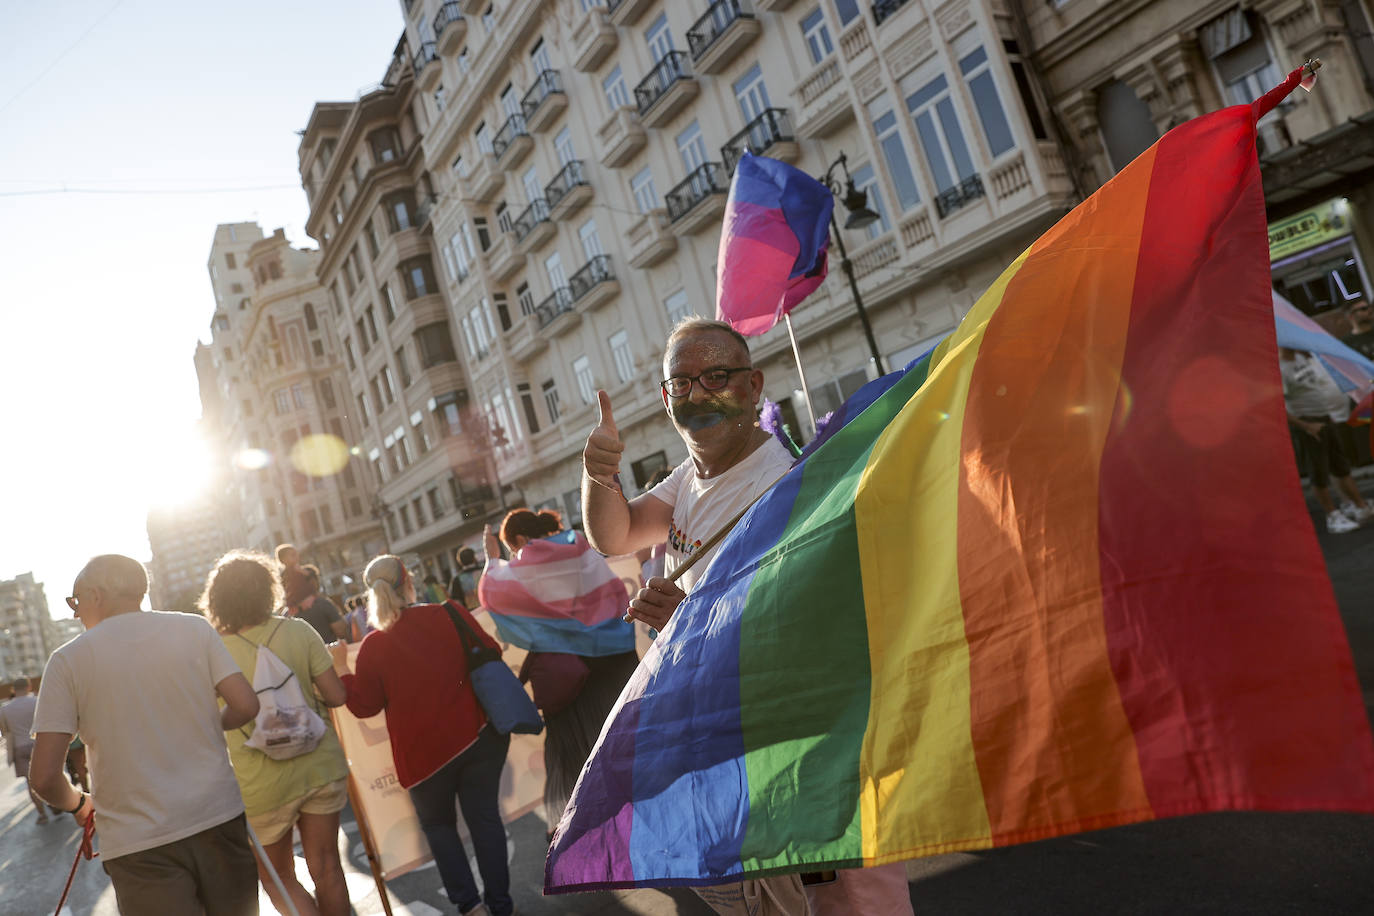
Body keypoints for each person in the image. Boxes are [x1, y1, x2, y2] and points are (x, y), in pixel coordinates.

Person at [581, 317, 915, 916]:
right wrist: (599, 472)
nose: (698, 393)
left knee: (843, 899)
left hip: (797, 747)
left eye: (716, 375)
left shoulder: (791, 486)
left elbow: (810, 637)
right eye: (681, 382)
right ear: (664, 398)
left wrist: (687, 622)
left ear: (754, 385)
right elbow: (617, 533)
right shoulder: (689, 476)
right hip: (718, 743)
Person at [28, 554, 261, 915]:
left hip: (138, 842)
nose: (75, 614)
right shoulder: (194, 629)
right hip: (218, 817)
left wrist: (78, 803)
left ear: (97, 594)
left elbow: (43, 777)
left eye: (75, 602)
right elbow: (246, 705)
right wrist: (202, 724)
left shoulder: (67, 661)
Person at [331, 555, 514, 916]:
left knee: (439, 828)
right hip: (476, 738)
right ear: (409, 583)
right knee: (485, 821)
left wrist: (340, 669)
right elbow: (491, 653)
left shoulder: (373, 646)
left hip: (422, 760)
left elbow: (363, 706)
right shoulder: (450, 613)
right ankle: (501, 906)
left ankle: (472, 908)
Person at [202, 551, 352, 916]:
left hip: (261, 783)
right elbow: (336, 697)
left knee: (277, 876)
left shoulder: (212, 651)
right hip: (319, 765)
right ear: (269, 589)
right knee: (328, 866)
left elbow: (207, 720)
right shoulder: (298, 630)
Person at [482, 508, 638, 839]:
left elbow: (492, 592)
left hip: (571, 670)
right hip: (614, 658)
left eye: (513, 549)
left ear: (522, 540)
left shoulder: (534, 555)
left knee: (568, 751)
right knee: (622, 739)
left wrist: (492, 561)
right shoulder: (578, 545)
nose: (516, 556)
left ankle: (573, 829)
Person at [1280, 346, 1374, 533]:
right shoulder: (1279, 369)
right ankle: (1332, 516)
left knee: (1341, 467)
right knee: (1319, 472)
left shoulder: (1301, 357)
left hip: (1325, 419)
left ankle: (1360, 506)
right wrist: (1306, 426)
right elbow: (1277, 407)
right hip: (1308, 423)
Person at [0, 676, 54, 824]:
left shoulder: (5, 709)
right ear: (29, 686)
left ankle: (42, 814)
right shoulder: (37, 701)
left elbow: (5, 732)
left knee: (31, 783)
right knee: (48, 777)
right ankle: (55, 804)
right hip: (39, 744)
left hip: (19, 748)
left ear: (13, 690)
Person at [293, 564, 349, 644]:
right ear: (314, 581)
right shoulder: (322, 603)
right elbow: (342, 632)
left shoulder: (290, 611)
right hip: (330, 652)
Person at [278, 543, 312, 613]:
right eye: (292, 555)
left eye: (296, 554)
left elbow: (314, 584)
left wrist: (303, 572)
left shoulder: (307, 570)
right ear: (282, 560)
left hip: (311, 603)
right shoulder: (282, 577)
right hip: (294, 609)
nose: (297, 556)